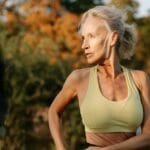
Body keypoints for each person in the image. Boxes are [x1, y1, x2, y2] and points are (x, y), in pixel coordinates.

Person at [48, 5, 150, 150]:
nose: (84, 45)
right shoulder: (78, 78)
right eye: (83, 38)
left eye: (91, 36)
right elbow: (53, 112)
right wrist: (61, 148)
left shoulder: (140, 79)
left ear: (113, 38)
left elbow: (148, 136)